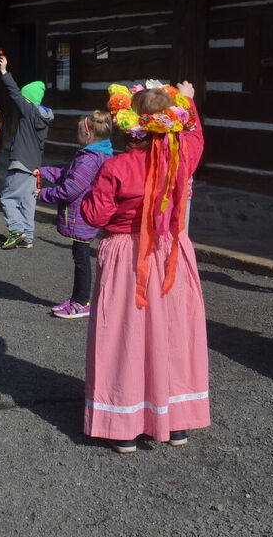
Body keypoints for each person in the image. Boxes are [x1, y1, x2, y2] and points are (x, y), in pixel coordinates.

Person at [80, 80, 206, 453]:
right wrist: (190, 103)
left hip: (127, 257)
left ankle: (124, 425)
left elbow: (94, 214)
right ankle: (175, 421)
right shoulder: (182, 159)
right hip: (171, 254)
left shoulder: (116, 167)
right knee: (171, 334)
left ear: (129, 122)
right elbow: (195, 136)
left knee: (125, 336)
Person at [37, 110, 114, 319]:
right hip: (80, 214)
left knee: (81, 259)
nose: (76, 135)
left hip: (81, 215)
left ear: (88, 134)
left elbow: (72, 187)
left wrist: (42, 193)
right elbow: (68, 174)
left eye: (79, 132)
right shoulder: (92, 155)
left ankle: (81, 302)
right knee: (79, 257)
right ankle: (77, 299)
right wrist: (44, 172)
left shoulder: (90, 159)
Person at [0, 55, 54, 249]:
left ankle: (16, 230)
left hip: (20, 162)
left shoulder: (29, 110)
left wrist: (5, 72)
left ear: (28, 99)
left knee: (7, 197)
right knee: (27, 201)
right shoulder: (44, 118)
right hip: (33, 165)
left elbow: (14, 93)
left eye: (24, 97)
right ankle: (28, 237)